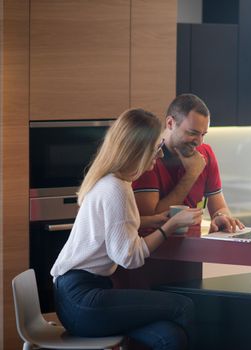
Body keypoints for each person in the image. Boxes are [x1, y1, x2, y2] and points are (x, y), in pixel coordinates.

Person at [51, 108, 203, 350]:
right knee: (183, 306)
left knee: (170, 337)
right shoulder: (117, 190)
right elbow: (128, 257)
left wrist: (153, 220)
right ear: (139, 150)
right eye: (156, 147)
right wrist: (171, 226)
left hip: (75, 298)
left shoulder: (111, 181)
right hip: (83, 300)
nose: (160, 154)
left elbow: (112, 227)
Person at [132, 94, 243, 234]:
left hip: (194, 250)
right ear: (170, 123)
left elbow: (220, 208)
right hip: (155, 252)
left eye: (203, 134)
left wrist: (221, 217)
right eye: (193, 133)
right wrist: (191, 174)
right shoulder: (149, 159)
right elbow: (152, 221)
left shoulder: (205, 153)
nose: (199, 142)